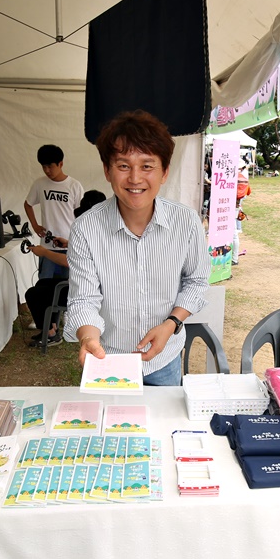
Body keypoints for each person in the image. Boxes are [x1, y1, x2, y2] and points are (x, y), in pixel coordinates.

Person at [65, 110, 210, 386]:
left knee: (163, 415)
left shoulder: (186, 222)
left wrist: (171, 324)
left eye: (146, 166)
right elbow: (84, 299)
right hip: (108, 357)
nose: (134, 178)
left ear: (164, 172)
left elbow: (197, 281)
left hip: (164, 357)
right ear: (107, 170)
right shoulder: (86, 228)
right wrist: (88, 339)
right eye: (123, 166)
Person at [23, 190, 106, 347]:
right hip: (92, 286)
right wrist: (68, 243)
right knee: (43, 284)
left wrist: (45, 252)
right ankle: (52, 327)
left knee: (33, 294)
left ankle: (50, 335)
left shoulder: (91, 231)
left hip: (85, 292)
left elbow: (70, 261)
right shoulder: (101, 231)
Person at [24, 144, 84, 280]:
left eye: (50, 166)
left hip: (69, 243)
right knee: (45, 284)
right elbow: (28, 204)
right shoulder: (39, 184)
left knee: (68, 284)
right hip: (47, 245)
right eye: (43, 167)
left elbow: (82, 215)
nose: (47, 170)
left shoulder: (74, 186)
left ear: (60, 164)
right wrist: (35, 226)